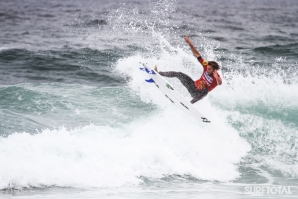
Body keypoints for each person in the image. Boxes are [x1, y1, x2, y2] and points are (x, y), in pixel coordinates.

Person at [154, 35, 222, 104]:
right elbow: (197, 54)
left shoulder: (217, 77)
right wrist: (189, 43)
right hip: (192, 86)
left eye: (209, 69)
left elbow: (220, 83)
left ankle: (189, 104)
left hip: (197, 94)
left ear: (214, 70)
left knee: (205, 91)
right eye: (207, 68)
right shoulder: (206, 65)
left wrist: (216, 77)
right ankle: (158, 73)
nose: (207, 70)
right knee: (179, 74)